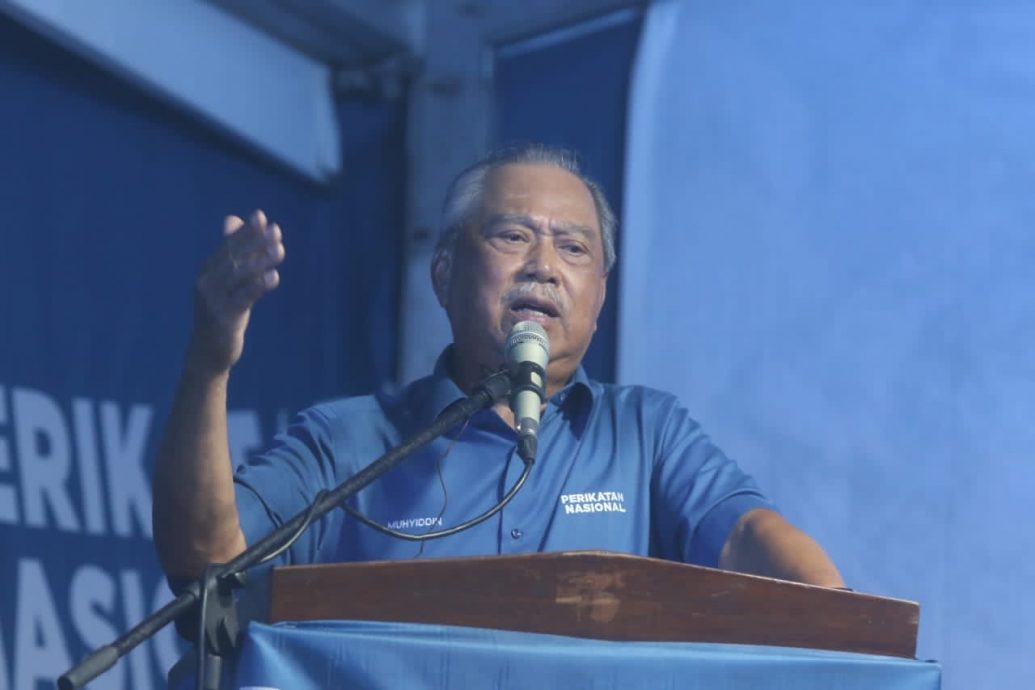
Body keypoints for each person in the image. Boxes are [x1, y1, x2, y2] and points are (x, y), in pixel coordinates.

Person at [152, 144, 845, 589]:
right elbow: (206, 564)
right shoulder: (346, 442)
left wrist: (848, 623)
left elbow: (747, 538)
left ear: (599, 298)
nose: (543, 266)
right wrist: (210, 360)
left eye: (573, 248)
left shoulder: (646, 434)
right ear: (445, 273)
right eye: (513, 236)